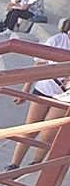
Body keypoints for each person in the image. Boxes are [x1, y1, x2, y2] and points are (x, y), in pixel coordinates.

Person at [7, 17, 70, 169]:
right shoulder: (57, 40)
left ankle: (35, 163)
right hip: (45, 87)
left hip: (65, 95)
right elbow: (38, 64)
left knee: (48, 133)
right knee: (30, 128)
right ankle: (14, 164)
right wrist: (25, 89)